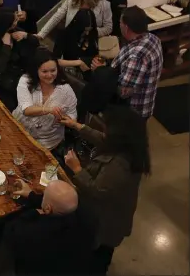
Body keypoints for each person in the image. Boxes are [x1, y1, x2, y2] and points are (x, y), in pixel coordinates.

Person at [61, 105, 150, 275]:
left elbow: (98, 189)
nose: (104, 129)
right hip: (109, 216)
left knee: (97, 259)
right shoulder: (130, 146)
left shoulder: (119, 164)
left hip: (106, 221)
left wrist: (77, 168)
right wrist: (77, 126)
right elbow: (102, 138)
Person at [0, 180, 93, 275]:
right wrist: (31, 195)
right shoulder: (85, 221)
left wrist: (34, 213)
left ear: (47, 208)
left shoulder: (32, 232)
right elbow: (55, 205)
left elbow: (11, 228)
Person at [91, 6, 163, 119]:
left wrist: (101, 71)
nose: (119, 24)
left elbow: (124, 92)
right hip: (143, 104)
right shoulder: (152, 38)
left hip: (132, 112)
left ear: (126, 27)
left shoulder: (137, 55)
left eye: (120, 22)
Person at [12, 49, 77, 153]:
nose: (50, 75)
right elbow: (26, 110)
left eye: (53, 70)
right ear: (36, 70)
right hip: (18, 129)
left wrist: (65, 119)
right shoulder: (26, 80)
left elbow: (72, 116)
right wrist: (49, 110)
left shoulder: (66, 90)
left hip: (46, 141)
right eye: (44, 71)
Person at [0, 9, 40, 110]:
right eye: (14, 21)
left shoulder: (14, 30)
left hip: (17, 78)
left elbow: (36, 44)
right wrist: (6, 47)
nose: (16, 23)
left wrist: (27, 35)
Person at [37, 0, 112, 42]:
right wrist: (41, 34)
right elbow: (57, 17)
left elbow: (108, 28)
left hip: (89, 44)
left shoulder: (104, 5)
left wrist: (91, 32)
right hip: (70, 41)